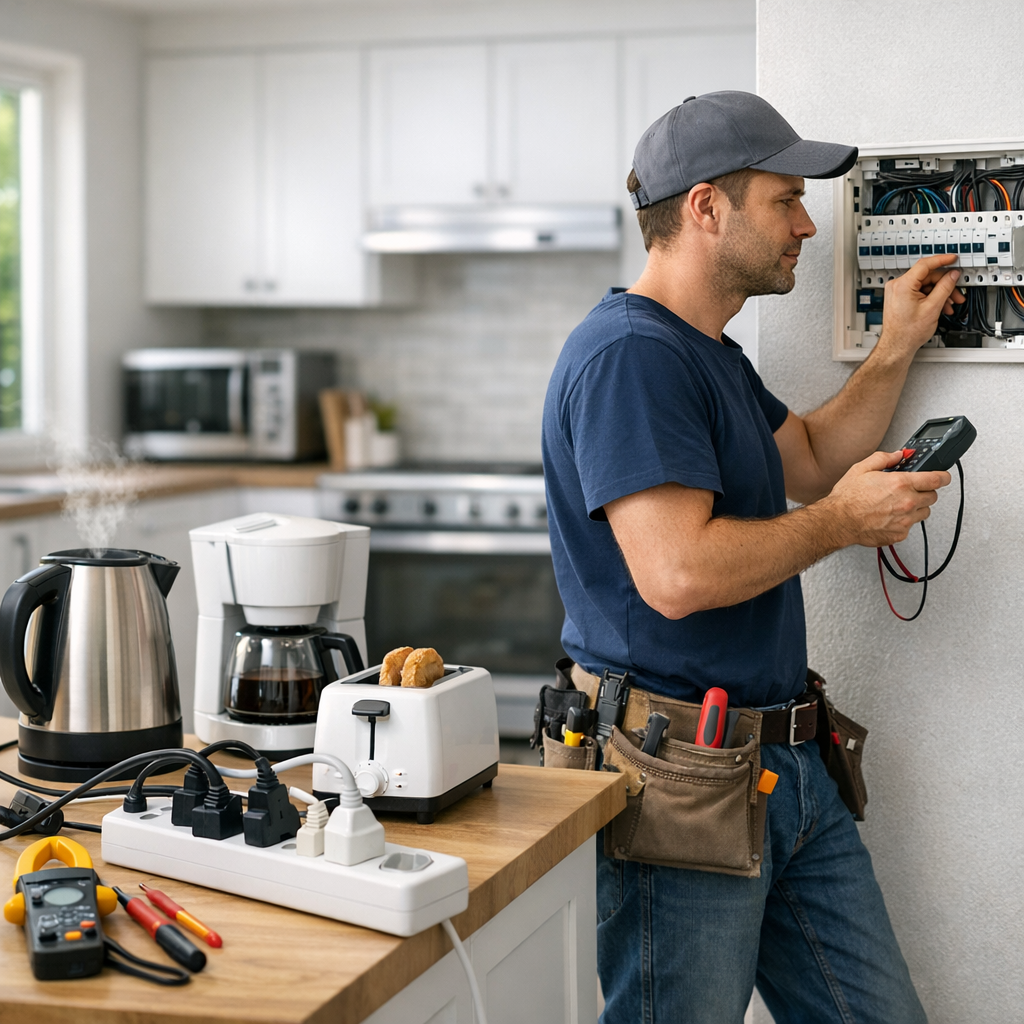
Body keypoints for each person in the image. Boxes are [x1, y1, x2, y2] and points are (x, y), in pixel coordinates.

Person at [541, 92, 963, 1024]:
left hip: (786, 766)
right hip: (681, 775)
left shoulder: (706, 355)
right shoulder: (628, 358)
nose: (807, 224)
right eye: (785, 199)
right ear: (705, 207)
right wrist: (844, 524)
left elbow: (811, 460)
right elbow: (677, 574)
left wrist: (895, 347)